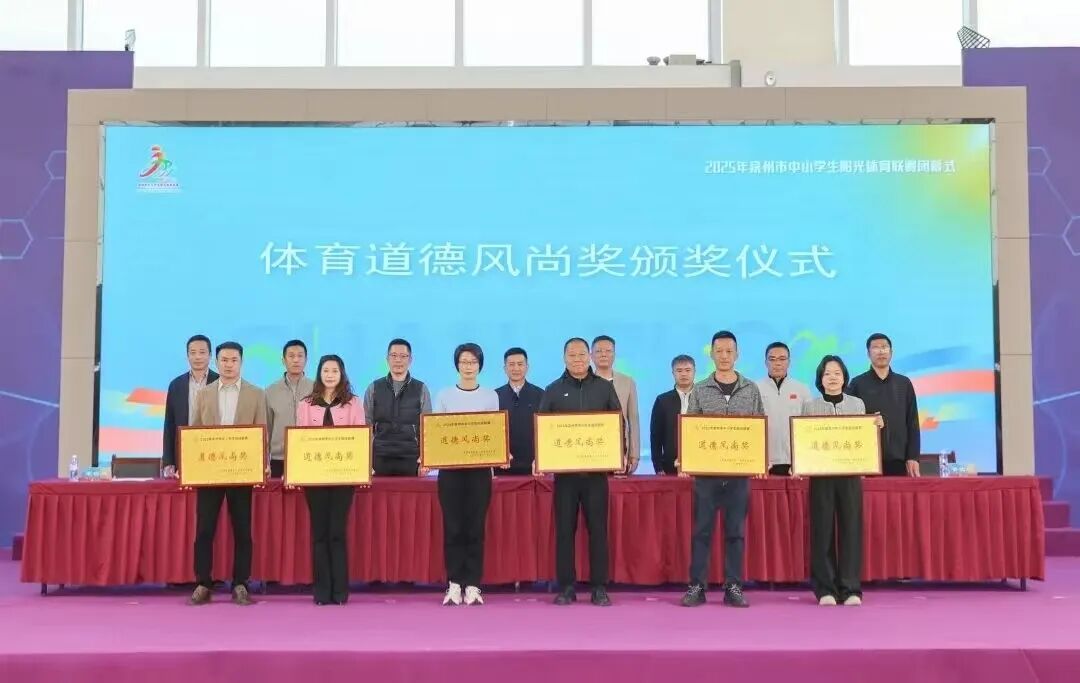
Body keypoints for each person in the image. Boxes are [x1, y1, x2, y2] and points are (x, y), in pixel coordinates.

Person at [681, 331, 764, 609]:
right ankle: (697, 586)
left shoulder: (751, 389)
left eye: (729, 351)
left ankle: (733, 586)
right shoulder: (700, 389)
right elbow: (691, 429)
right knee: (701, 531)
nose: (724, 356)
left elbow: (758, 427)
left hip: (738, 475)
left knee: (735, 532)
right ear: (712, 354)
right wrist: (687, 459)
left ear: (737, 354)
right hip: (706, 476)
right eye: (719, 351)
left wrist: (758, 460)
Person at [538, 337, 622, 607]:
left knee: (598, 530)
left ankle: (599, 587)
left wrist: (618, 454)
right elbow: (542, 430)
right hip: (565, 477)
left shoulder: (604, 388)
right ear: (564, 358)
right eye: (572, 355)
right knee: (565, 531)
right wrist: (542, 458)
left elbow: (618, 424)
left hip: (596, 476)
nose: (577, 360)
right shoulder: (553, 390)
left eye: (582, 355)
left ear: (589, 357)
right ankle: (567, 586)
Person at [186, 342, 268, 606]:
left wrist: (262, 464)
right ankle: (203, 583)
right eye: (224, 360)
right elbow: (195, 433)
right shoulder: (204, 394)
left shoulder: (256, 394)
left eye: (234, 360)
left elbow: (262, 433)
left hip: (241, 471)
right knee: (204, 529)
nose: (229, 365)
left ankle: (241, 583)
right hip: (210, 473)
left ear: (241, 362)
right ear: (216, 362)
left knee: (242, 529)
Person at [802, 355, 881, 606]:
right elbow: (804, 440)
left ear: (844, 377)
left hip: (850, 475)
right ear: (820, 379)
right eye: (827, 374)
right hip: (821, 476)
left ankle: (850, 588)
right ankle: (825, 589)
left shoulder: (857, 404)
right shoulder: (810, 406)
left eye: (837, 373)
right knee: (822, 530)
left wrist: (874, 428)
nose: (832, 378)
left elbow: (863, 439)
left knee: (851, 529)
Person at [433, 343, 500, 606]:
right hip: (450, 472)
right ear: (457, 365)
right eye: (464, 362)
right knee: (453, 527)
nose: (468, 366)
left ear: (480, 365)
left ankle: (472, 584)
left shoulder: (490, 396)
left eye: (473, 362)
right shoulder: (444, 395)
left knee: (475, 527)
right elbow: (436, 433)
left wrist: (498, 456)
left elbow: (494, 433)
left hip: (479, 472)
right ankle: (454, 583)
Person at [295, 354, 364, 606]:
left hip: (343, 477)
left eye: (335, 370)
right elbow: (300, 441)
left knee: (337, 532)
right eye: (326, 370)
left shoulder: (354, 403)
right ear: (319, 374)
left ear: (341, 374)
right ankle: (322, 591)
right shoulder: (306, 404)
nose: (330, 375)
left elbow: (361, 439)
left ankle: (340, 591)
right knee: (319, 533)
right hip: (314, 479)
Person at [847, 333, 921, 477]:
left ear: (891, 352)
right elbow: (849, 421)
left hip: (899, 460)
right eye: (875, 347)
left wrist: (913, 456)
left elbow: (913, 422)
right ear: (868, 354)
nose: (881, 351)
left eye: (884, 347)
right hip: (866, 460)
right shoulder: (857, 384)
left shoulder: (904, 383)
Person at [363, 338, 432, 476]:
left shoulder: (421, 388)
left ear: (410, 360)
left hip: (411, 458)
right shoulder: (374, 388)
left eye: (403, 356)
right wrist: (366, 460)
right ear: (387, 359)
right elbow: (366, 425)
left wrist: (425, 459)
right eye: (393, 355)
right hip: (379, 458)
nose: (398, 360)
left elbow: (427, 428)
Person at [162, 335, 218, 478]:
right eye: (193, 353)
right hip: (184, 451)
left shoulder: (220, 382)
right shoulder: (176, 385)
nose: (197, 357)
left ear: (210, 355)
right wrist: (168, 461)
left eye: (202, 352)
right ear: (187, 356)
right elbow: (169, 425)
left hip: (215, 451)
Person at [756, 342, 812, 476]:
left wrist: (803, 460)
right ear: (765, 362)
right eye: (772, 359)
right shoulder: (755, 388)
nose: (777, 363)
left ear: (789, 362)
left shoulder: (802, 389)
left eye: (782, 359)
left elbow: (808, 427)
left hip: (793, 462)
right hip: (765, 462)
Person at [591, 335, 640, 474]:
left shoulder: (628, 382)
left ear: (614, 354)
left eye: (608, 351)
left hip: (621, 449)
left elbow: (633, 419)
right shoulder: (585, 382)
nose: (603, 354)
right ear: (591, 356)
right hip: (592, 449)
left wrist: (634, 455)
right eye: (599, 351)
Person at [266, 340, 314, 478]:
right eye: (291, 356)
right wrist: (265, 460)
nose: (296, 360)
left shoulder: (317, 389)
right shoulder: (270, 391)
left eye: (300, 356)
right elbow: (267, 428)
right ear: (283, 360)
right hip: (279, 458)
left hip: (310, 456)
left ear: (306, 360)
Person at [495, 347, 544, 475]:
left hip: (533, 466)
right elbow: (491, 431)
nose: (516, 368)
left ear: (527, 367)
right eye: (511, 364)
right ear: (505, 368)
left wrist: (541, 459)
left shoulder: (540, 394)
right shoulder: (495, 396)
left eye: (520, 364)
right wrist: (499, 453)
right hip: (503, 466)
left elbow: (546, 430)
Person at [649, 354, 696, 475]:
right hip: (669, 466)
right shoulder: (662, 400)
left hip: (700, 465)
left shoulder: (704, 398)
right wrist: (658, 467)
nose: (684, 374)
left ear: (694, 372)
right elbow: (656, 436)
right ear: (673, 373)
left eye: (688, 370)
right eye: (679, 371)